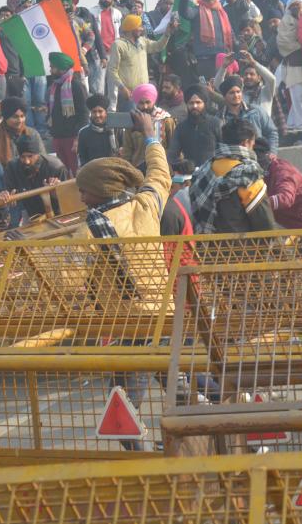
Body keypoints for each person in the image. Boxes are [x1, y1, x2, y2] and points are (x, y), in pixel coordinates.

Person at [71, 109, 170, 450]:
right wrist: (151, 136)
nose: (81, 197)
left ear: (100, 190)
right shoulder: (146, 204)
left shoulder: (88, 230)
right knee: (176, 375)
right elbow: (159, 174)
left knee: (123, 399)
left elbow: (68, 280)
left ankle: (137, 457)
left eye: (84, 191)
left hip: (129, 322)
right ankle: (219, 407)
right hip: (165, 314)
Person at [189, 118, 275, 234]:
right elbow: (265, 224)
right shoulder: (248, 175)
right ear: (246, 142)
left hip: (206, 249)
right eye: (253, 143)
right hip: (240, 249)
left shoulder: (203, 170)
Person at [108, 14, 174, 111]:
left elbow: (158, 46)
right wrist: (122, 88)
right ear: (131, 28)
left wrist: (167, 33)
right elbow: (112, 70)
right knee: (130, 123)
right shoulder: (118, 45)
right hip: (129, 94)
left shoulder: (142, 41)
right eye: (139, 26)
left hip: (144, 93)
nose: (142, 29)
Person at [178, 0, 235, 81]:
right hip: (205, 60)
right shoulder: (197, 10)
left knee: (224, 89)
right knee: (210, 89)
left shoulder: (222, 12)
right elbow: (183, 12)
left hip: (223, 58)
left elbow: (231, 33)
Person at [3, 135, 71, 219]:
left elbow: (67, 198)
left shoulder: (55, 167)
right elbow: (8, 193)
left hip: (58, 214)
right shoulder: (12, 167)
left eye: (30, 156)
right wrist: (8, 197)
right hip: (30, 216)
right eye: (22, 157)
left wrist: (55, 192)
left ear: (38, 154)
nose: (26, 161)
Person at [45, 52, 88, 172]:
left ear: (62, 69)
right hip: (57, 136)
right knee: (61, 172)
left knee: (76, 172)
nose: (50, 70)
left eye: (53, 67)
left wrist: (78, 138)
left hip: (72, 138)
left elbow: (84, 114)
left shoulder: (76, 86)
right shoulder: (54, 86)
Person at [217, 74, 278, 154]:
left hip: (259, 157)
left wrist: (272, 152)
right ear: (224, 96)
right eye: (231, 93)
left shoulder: (256, 111)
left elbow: (272, 132)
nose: (236, 95)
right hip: (233, 159)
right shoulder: (220, 118)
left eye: (238, 92)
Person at [277, 0, 302, 130]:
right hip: (293, 63)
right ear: (289, 7)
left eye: (299, 4)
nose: (297, 7)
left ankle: (291, 123)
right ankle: (301, 124)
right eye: (293, 5)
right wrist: (300, 46)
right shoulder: (285, 21)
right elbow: (283, 42)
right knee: (298, 95)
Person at [120, 84, 175, 169]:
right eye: (141, 103)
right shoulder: (132, 121)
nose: (145, 106)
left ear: (153, 101)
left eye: (148, 102)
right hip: (137, 170)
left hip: (160, 169)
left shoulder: (166, 120)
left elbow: (174, 148)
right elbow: (127, 151)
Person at [166, 85, 222, 167]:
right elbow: (172, 156)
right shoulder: (181, 128)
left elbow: (225, 150)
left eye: (198, 102)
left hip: (213, 174)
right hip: (189, 175)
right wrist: (182, 165)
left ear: (204, 103)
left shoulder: (216, 123)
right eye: (191, 103)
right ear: (187, 104)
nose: (194, 106)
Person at [0, 96, 46, 165]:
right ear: (6, 117)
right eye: (15, 117)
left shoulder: (33, 134)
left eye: (22, 116)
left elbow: (42, 159)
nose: (20, 120)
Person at [89, 0, 123, 95]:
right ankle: (99, 107)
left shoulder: (117, 13)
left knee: (114, 83)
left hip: (114, 51)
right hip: (99, 52)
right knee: (98, 83)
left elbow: (120, 32)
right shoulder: (92, 12)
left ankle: (112, 109)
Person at [77, 95, 118, 166]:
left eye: (100, 111)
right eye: (94, 112)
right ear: (90, 113)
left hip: (115, 168)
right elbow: (82, 157)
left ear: (105, 113)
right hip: (93, 172)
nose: (97, 115)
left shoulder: (116, 129)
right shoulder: (83, 133)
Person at [0, 6, 26, 99]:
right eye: (2, 15)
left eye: (7, 15)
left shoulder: (17, 32)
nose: (4, 17)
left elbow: (21, 54)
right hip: (0, 74)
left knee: (17, 102)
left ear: (12, 17)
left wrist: (23, 74)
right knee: (3, 103)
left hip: (15, 73)